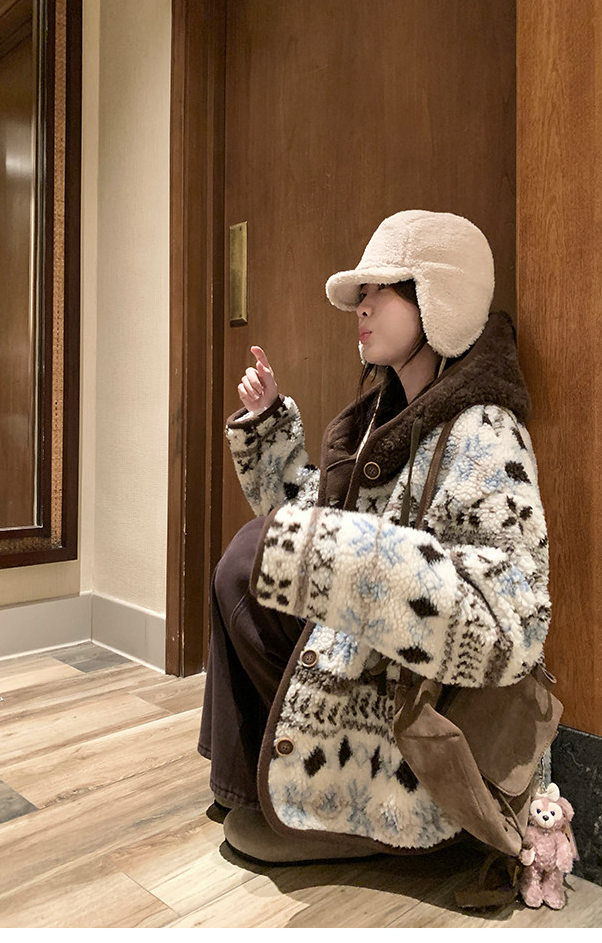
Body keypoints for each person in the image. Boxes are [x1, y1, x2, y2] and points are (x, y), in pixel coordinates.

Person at [198, 209, 550, 863]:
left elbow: (514, 623)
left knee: (250, 555)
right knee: (248, 559)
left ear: (438, 297)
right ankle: (254, 784)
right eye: (362, 293)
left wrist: (360, 565)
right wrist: (268, 424)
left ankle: (354, 814)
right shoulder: (384, 420)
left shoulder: (485, 432)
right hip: (371, 653)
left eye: (381, 290)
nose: (362, 307)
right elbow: (301, 526)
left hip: (420, 693)